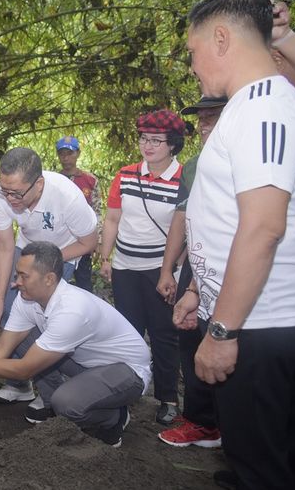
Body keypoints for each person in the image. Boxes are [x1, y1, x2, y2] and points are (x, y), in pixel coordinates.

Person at [182, 0, 295, 488]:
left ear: (221, 38)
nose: (193, 66)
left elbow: (263, 226)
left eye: (193, 52)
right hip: (252, 319)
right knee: (273, 451)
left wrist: (223, 332)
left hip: (258, 322)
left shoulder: (264, 109)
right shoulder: (251, 106)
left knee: (261, 463)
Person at [0, 241, 151, 447]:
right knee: (23, 341)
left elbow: (25, 370)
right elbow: (2, 348)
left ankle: (113, 418)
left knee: (67, 402)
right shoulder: (29, 300)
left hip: (127, 372)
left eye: (24, 276)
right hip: (88, 363)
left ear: (49, 279)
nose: (16, 282)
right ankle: (59, 408)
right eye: (17, 275)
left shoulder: (71, 310)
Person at [0, 147, 98, 413]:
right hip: (26, 247)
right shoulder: (1, 194)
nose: (10, 199)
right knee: (10, 311)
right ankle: (19, 384)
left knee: (38, 317)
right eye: (5, 191)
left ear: (39, 183)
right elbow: (6, 247)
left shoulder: (67, 196)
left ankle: (51, 394)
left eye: (17, 193)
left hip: (65, 252)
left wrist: (44, 264)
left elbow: (89, 243)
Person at [99, 109, 184, 426]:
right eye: (144, 138)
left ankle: (168, 399)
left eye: (156, 141)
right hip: (125, 268)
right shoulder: (125, 175)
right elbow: (112, 219)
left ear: (173, 144)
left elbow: (187, 228)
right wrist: (106, 258)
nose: (148, 146)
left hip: (160, 270)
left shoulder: (183, 179)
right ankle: (126, 394)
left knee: (164, 334)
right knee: (128, 333)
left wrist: (176, 270)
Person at [154, 96, 226, 449]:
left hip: (236, 266)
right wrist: (170, 269)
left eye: (213, 116)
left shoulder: (250, 163)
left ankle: (233, 426)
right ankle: (201, 421)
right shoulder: (194, 167)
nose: (204, 124)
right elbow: (181, 218)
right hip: (196, 266)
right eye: (202, 118)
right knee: (189, 334)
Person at [56, 135, 101, 292]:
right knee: (57, 283)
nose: (66, 158)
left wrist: (98, 241)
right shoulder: (53, 180)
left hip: (83, 240)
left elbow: (96, 212)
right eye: (62, 154)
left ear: (78, 154)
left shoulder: (90, 180)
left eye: (70, 153)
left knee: (84, 282)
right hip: (61, 241)